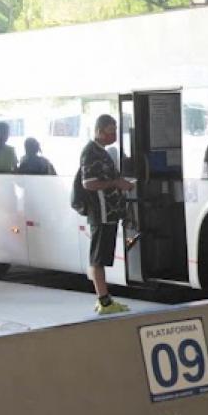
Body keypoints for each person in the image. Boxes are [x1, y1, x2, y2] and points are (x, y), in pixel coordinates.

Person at [81, 114, 136, 315]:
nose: (113, 136)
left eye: (114, 131)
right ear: (99, 131)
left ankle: (105, 298)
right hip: (101, 212)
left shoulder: (102, 152)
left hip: (110, 212)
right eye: (110, 132)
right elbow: (88, 183)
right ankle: (104, 301)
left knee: (102, 256)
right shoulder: (90, 152)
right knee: (97, 257)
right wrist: (115, 184)